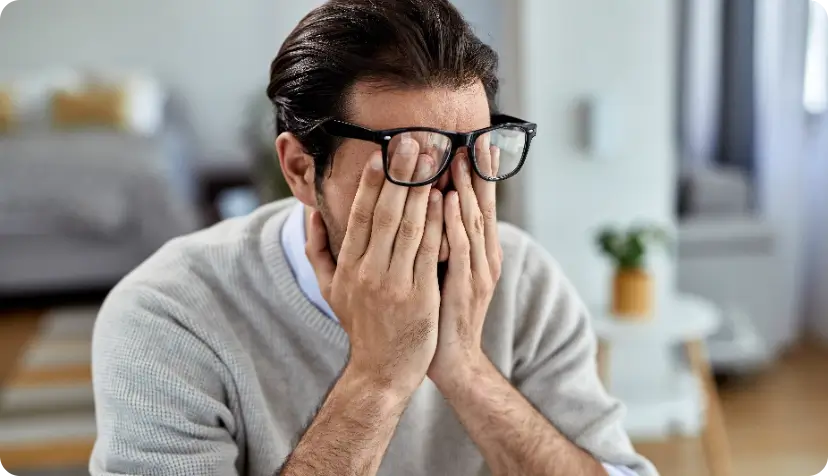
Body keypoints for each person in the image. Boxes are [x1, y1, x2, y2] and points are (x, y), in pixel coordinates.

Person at [90, 1, 657, 475]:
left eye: (474, 156)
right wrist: (378, 378)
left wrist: (465, 368)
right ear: (301, 170)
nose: (453, 200)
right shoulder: (168, 314)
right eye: (409, 163)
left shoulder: (525, 279)